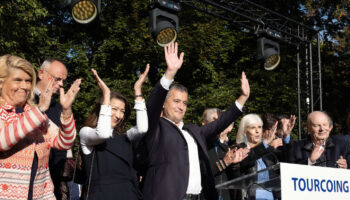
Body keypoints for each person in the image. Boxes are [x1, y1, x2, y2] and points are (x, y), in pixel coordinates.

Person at [141, 42, 250, 200]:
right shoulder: (156, 128)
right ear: (164, 104)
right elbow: (152, 107)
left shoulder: (193, 131)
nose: (181, 107)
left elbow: (220, 123)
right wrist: (169, 73)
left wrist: (243, 98)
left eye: (184, 103)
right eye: (176, 101)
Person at [0, 54, 80, 199]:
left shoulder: (33, 114)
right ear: (1, 82)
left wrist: (67, 111)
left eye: (28, 81)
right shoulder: (33, 114)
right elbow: (2, 141)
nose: (24, 86)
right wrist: (40, 109)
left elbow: (64, 142)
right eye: (18, 80)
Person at [79, 65, 149, 200]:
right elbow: (103, 133)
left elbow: (142, 128)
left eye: (122, 111)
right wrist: (106, 94)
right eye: (114, 109)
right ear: (103, 107)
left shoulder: (125, 136)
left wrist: (138, 91)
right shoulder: (86, 133)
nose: (118, 115)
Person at [35, 58, 69, 199]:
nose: (61, 85)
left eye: (63, 81)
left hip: (49, 180)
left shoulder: (58, 106)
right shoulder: (22, 99)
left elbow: (63, 143)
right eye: (57, 79)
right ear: (41, 74)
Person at [203, 108, 242, 200]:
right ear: (204, 123)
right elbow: (201, 174)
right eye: (215, 120)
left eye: (221, 121)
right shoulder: (199, 144)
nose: (219, 124)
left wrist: (234, 165)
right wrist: (223, 163)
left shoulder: (226, 148)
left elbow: (234, 180)